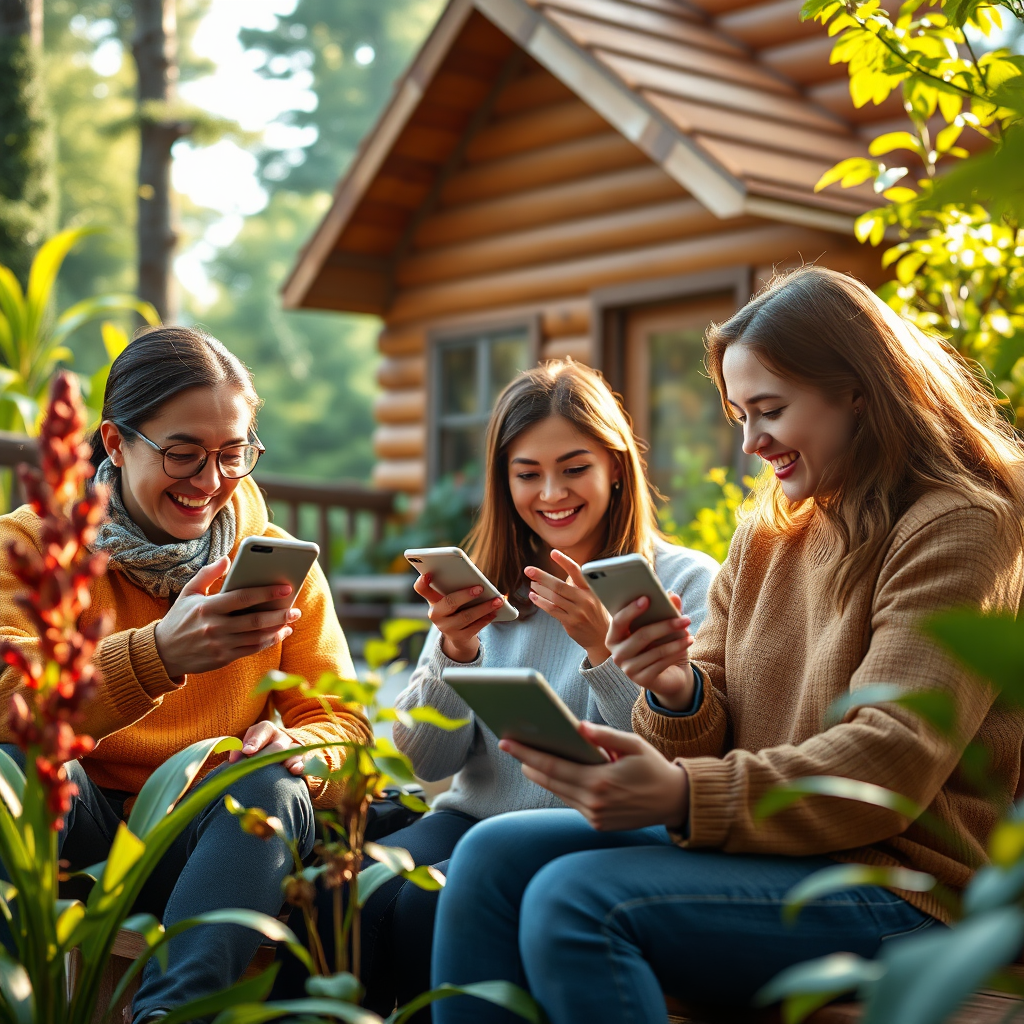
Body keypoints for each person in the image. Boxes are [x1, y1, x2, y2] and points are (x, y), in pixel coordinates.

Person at [429, 267, 1024, 1024]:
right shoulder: (772, 529)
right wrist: (676, 688)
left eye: (770, 410)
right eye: (741, 414)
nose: (751, 442)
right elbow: (707, 712)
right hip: (769, 851)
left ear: (858, 390)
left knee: (578, 902)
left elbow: (891, 761)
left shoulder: (961, 524)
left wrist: (682, 795)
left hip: (898, 886)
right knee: (490, 855)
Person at [290, 360, 718, 1015]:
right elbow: (421, 761)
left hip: (599, 832)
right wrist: (458, 653)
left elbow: (677, 758)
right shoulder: (487, 586)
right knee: (342, 887)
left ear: (616, 467)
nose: (552, 493)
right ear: (503, 479)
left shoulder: (685, 584)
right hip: (470, 819)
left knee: (426, 903)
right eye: (527, 474)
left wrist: (601, 649)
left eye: (575, 469)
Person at [0, 326, 372, 1024]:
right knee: (11, 763)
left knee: (271, 783)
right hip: (74, 826)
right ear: (115, 443)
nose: (210, 482)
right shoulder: (33, 547)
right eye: (183, 454)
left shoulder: (281, 565)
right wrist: (159, 655)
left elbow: (345, 724)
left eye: (234, 453)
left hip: (206, 844)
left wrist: (306, 753)